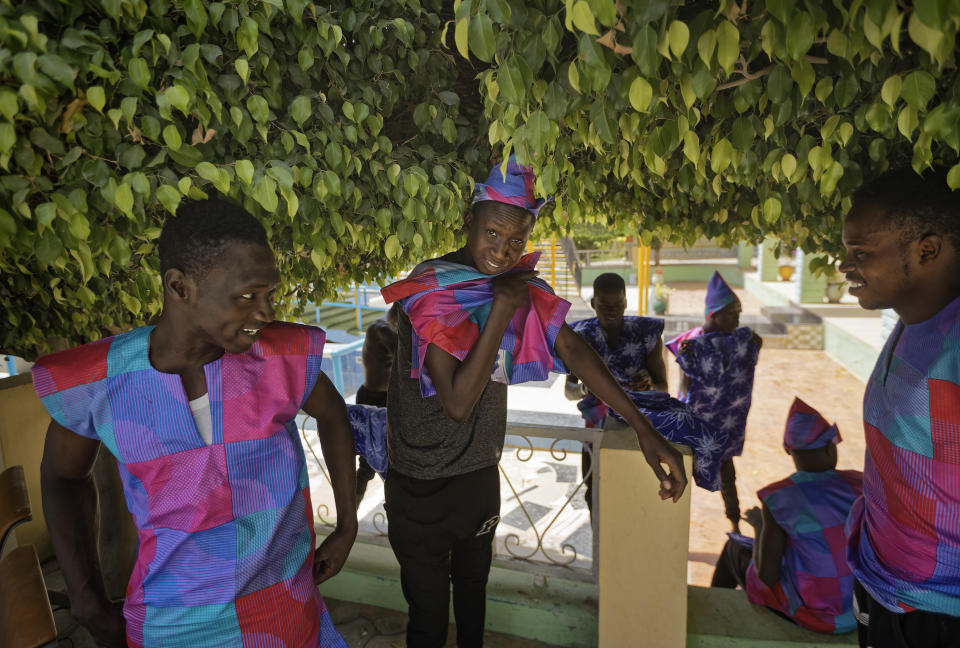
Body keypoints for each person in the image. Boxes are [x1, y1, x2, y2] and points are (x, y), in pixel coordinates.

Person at [380, 157, 687, 648]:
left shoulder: (519, 287)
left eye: (516, 241)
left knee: (474, 605)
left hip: (476, 473)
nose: (502, 251)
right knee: (429, 619)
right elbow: (457, 400)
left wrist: (644, 428)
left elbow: (572, 349)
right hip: (418, 481)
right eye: (492, 234)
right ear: (469, 222)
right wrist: (502, 306)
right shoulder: (433, 287)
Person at [33, 199, 358, 648]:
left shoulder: (282, 359)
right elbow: (62, 477)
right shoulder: (102, 382)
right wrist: (86, 600)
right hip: (175, 624)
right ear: (179, 286)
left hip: (284, 608)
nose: (265, 313)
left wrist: (347, 525)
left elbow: (334, 414)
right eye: (246, 296)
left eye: (269, 295)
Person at [840, 167, 960, 648]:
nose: (846, 267)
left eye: (861, 254)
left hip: (939, 614)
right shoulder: (914, 321)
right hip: (883, 589)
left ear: (926, 250)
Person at [712, 397, 863, 634]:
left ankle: (713, 620)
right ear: (829, 447)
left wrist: (760, 526)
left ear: (790, 452)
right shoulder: (861, 484)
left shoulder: (779, 498)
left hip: (816, 616)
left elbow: (768, 576)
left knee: (733, 550)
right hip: (864, 611)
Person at [667, 270, 761, 532]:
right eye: (733, 313)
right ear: (714, 314)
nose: (738, 319)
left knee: (727, 476)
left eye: (738, 313)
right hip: (697, 428)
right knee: (681, 474)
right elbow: (684, 391)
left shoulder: (736, 341)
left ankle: (734, 523)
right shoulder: (692, 344)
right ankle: (672, 529)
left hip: (722, 429)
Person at [564, 272, 667, 512]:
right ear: (593, 304)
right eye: (604, 305)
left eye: (618, 304)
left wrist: (649, 383)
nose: (611, 311)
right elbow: (568, 391)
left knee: (634, 493)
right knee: (595, 494)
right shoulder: (580, 336)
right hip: (596, 430)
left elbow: (663, 386)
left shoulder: (645, 333)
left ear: (626, 303)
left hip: (638, 428)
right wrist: (583, 388)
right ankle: (600, 545)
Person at [354, 317, 397, 503]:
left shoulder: (385, 329)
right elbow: (411, 358)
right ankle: (348, 518)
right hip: (375, 400)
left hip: (382, 397)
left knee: (392, 464)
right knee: (368, 465)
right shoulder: (380, 329)